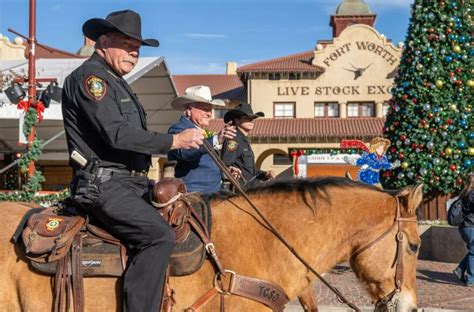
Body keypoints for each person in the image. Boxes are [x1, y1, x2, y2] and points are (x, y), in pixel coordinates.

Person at [61, 10, 204, 311]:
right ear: (102, 41)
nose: (134, 52)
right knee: (158, 237)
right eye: (126, 44)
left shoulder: (116, 81)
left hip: (129, 183)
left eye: (137, 47)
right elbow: (116, 134)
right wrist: (174, 141)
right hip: (104, 186)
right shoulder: (91, 79)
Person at [167, 85, 239, 193]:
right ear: (189, 110)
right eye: (205, 110)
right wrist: (216, 139)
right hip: (194, 195)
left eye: (210, 110)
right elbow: (186, 152)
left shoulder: (204, 133)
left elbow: (206, 163)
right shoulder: (178, 129)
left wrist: (225, 171)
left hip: (213, 194)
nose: (209, 114)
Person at [221, 103, 275, 190]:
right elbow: (225, 166)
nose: (251, 121)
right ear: (237, 120)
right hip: (241, 191)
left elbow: (250, 172)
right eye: (247, 118)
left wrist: (265, 174)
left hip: (251, 189)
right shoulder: (233, 139)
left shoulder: (244, 140)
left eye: (252, 118)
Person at [453, 177, 474, 287]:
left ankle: (460, 269)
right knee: (473, 252)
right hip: (470, 226)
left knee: (473, 250)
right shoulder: (472, 194)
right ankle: (470, 279)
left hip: (466, 227)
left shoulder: (465, 193)